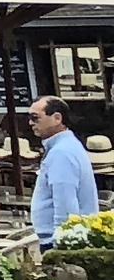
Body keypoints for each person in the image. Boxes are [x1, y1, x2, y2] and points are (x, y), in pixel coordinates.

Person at [31, 95, 99, 248]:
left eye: (35, 118)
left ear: (57, 118)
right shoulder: (65, 146)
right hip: (59, 237)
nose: (30, 123)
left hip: (56, 241)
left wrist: (61, 244)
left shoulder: (62, 152)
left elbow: (66, 204)